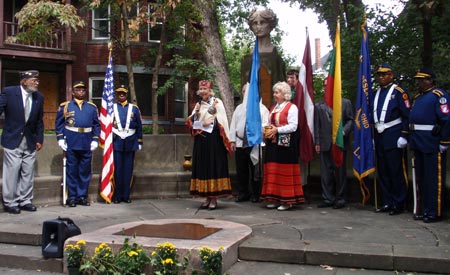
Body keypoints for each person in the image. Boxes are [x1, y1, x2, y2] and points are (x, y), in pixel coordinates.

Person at [409, 68, 450, 223]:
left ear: (430, 80)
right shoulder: (419, 97)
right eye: (417, 80)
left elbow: (446, 119)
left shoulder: (439, 96)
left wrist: (444, 142)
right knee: (421, 179)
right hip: (418, 142)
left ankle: (434, 211)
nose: (418, 83)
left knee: (433, 180)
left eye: (421, 80)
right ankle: (424, 209)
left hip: (432, 143)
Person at [0, 70, 44, 214]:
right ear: (24, 81)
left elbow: (39, 121)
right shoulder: (9, 92)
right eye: (33, 80)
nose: (36, 83)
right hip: (13, 138)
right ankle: (10, 202)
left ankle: (25, 200)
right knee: (11, 171)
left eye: (37, 80)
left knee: (28, 171)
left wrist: (39, 139)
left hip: (30, 140)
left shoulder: (39, 97)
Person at [186, 80, 232, 210]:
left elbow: (221, 122)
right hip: (201, 141)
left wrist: (210, 123)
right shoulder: (198, 104)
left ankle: (214, 198)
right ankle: (206, 197)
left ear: (210, 90)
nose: (202, 91)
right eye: (200, 89)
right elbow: (191, 123)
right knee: (203, 168)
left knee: (213, 167)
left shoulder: (217, 103)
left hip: (214, 141)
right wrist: (197, 117)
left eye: (204, 89)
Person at [372, 64, 410, 215]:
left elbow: (407, 115)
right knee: (383, 171)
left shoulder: (399, 92)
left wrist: (404, 135)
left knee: (396, 171)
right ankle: (388, 201)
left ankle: (399, 203)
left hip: (394, 135)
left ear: (391, 75)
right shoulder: (376, 93)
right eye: (379, 75)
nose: (381, 77)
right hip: (380, 136)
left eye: (384, 74)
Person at [55, 81, 100, 207]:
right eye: (78, 89)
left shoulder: (92, 107)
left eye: (83, 90)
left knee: (84, 171)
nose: (81, 91)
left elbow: (97, 124)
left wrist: (95, 139)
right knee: (72, 171)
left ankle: (82, 196)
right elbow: (59, 124)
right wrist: (60, 139)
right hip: (71, 140)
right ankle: (72, 197)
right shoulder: (65, 106)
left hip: (86, 141)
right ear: (73, 92)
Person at [260, 81, 304, 211]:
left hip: (286, 144)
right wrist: (265, 129)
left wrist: (277, 130)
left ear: (285, 94)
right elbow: (269, 122)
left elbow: (293, 126)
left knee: (284, 171)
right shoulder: (273, 108)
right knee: (273, 169)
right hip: (273, 143)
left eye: (277, 92)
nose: (274, 94)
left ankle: (287, 200)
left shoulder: (292, 107)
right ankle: (274, 198)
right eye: (274, 92)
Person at [229, 83, 269, 203]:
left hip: (254, 144)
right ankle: (243, 193)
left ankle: (256, 193)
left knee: (255, 171)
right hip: (241, 142)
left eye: (247, 92)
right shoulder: (239, 108)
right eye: (243, 91)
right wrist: (232, 140)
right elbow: (233, 125)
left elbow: (265, 125)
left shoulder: (262, 109)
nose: (245, 94)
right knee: (241, 170)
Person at [240, 8, 285, 106]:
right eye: (255, 23)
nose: (258, 26)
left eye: (262, 22)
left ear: (270, 25)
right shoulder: (248, 57)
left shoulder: (275, 57)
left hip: (271, 108)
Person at [314, 98, 353, 209]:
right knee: (326, 173)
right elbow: (317, 125)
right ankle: (327, 198)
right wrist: (317, 142)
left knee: (340, 172)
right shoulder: (319, 105)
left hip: (340, 143)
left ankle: (340, 199)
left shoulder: (345, 102)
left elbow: (350, 120)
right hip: (325, 143)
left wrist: (343, 131)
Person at [111, 85, 143, 204]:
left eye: (123, 94)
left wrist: (139, 141)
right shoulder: (112, 108)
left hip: (130, 141)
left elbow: (139, 125)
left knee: (128, 170)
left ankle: (126, 195)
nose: (121, 95)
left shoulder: (134, 109)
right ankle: (117, 195)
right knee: (118, 170)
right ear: (116, 95)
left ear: (126, 95)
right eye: (119, 93)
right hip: (117, 141)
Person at [287, 69, 309, 187]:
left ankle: (302, 184)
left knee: (301, 159)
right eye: (288, 78)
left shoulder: (301, 93)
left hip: (300, 129)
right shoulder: (287, 94)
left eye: (292, 78)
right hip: (288, 132)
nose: (289, 80)